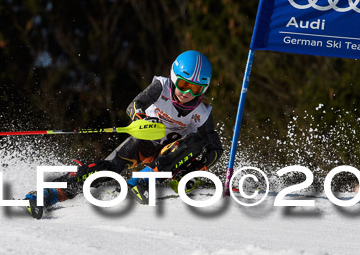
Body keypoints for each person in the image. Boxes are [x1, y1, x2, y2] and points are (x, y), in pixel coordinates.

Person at [24, 50, 223, 218]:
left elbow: (215, 148)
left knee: (196, 140)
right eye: (183, 84)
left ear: (203, 89)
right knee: (106, 170)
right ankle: (46, 194)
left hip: (170, 156)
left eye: (195, 88)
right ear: (173, 77)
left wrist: (197, 168)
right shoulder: (161, 87)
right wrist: (141, 118)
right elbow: (134, 105)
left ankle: (145, 179)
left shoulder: (202, 113)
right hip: (144, 142)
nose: (187, 93)